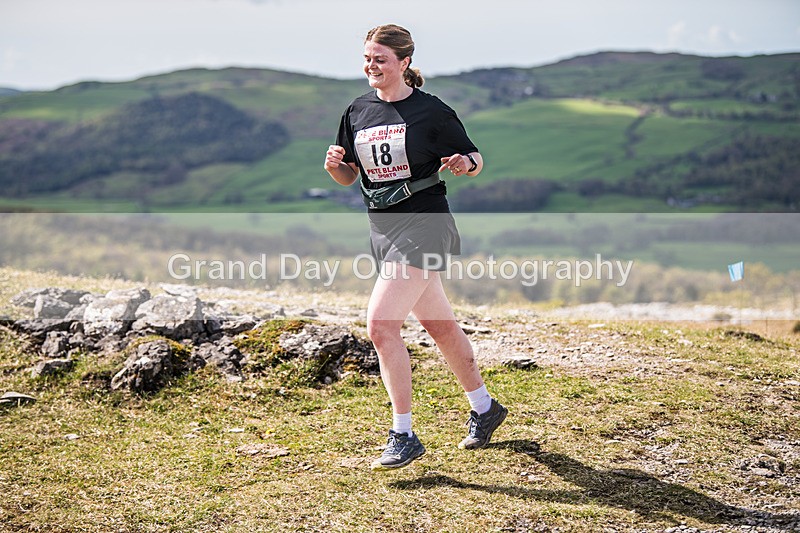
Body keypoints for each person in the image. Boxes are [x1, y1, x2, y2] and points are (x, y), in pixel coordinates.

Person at [323, 23, 507, 471]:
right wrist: (334, 168)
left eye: (380, 59)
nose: (371, 65)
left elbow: (475, 157)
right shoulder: (357, 110)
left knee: (381, 327)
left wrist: (465, 163)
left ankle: (402, 434)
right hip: (383, 229)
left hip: (425, 226)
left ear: (404, 63)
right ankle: (485, 409)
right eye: (367, 58)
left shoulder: (431, 112)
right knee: (439, 325)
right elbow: (350, 175)